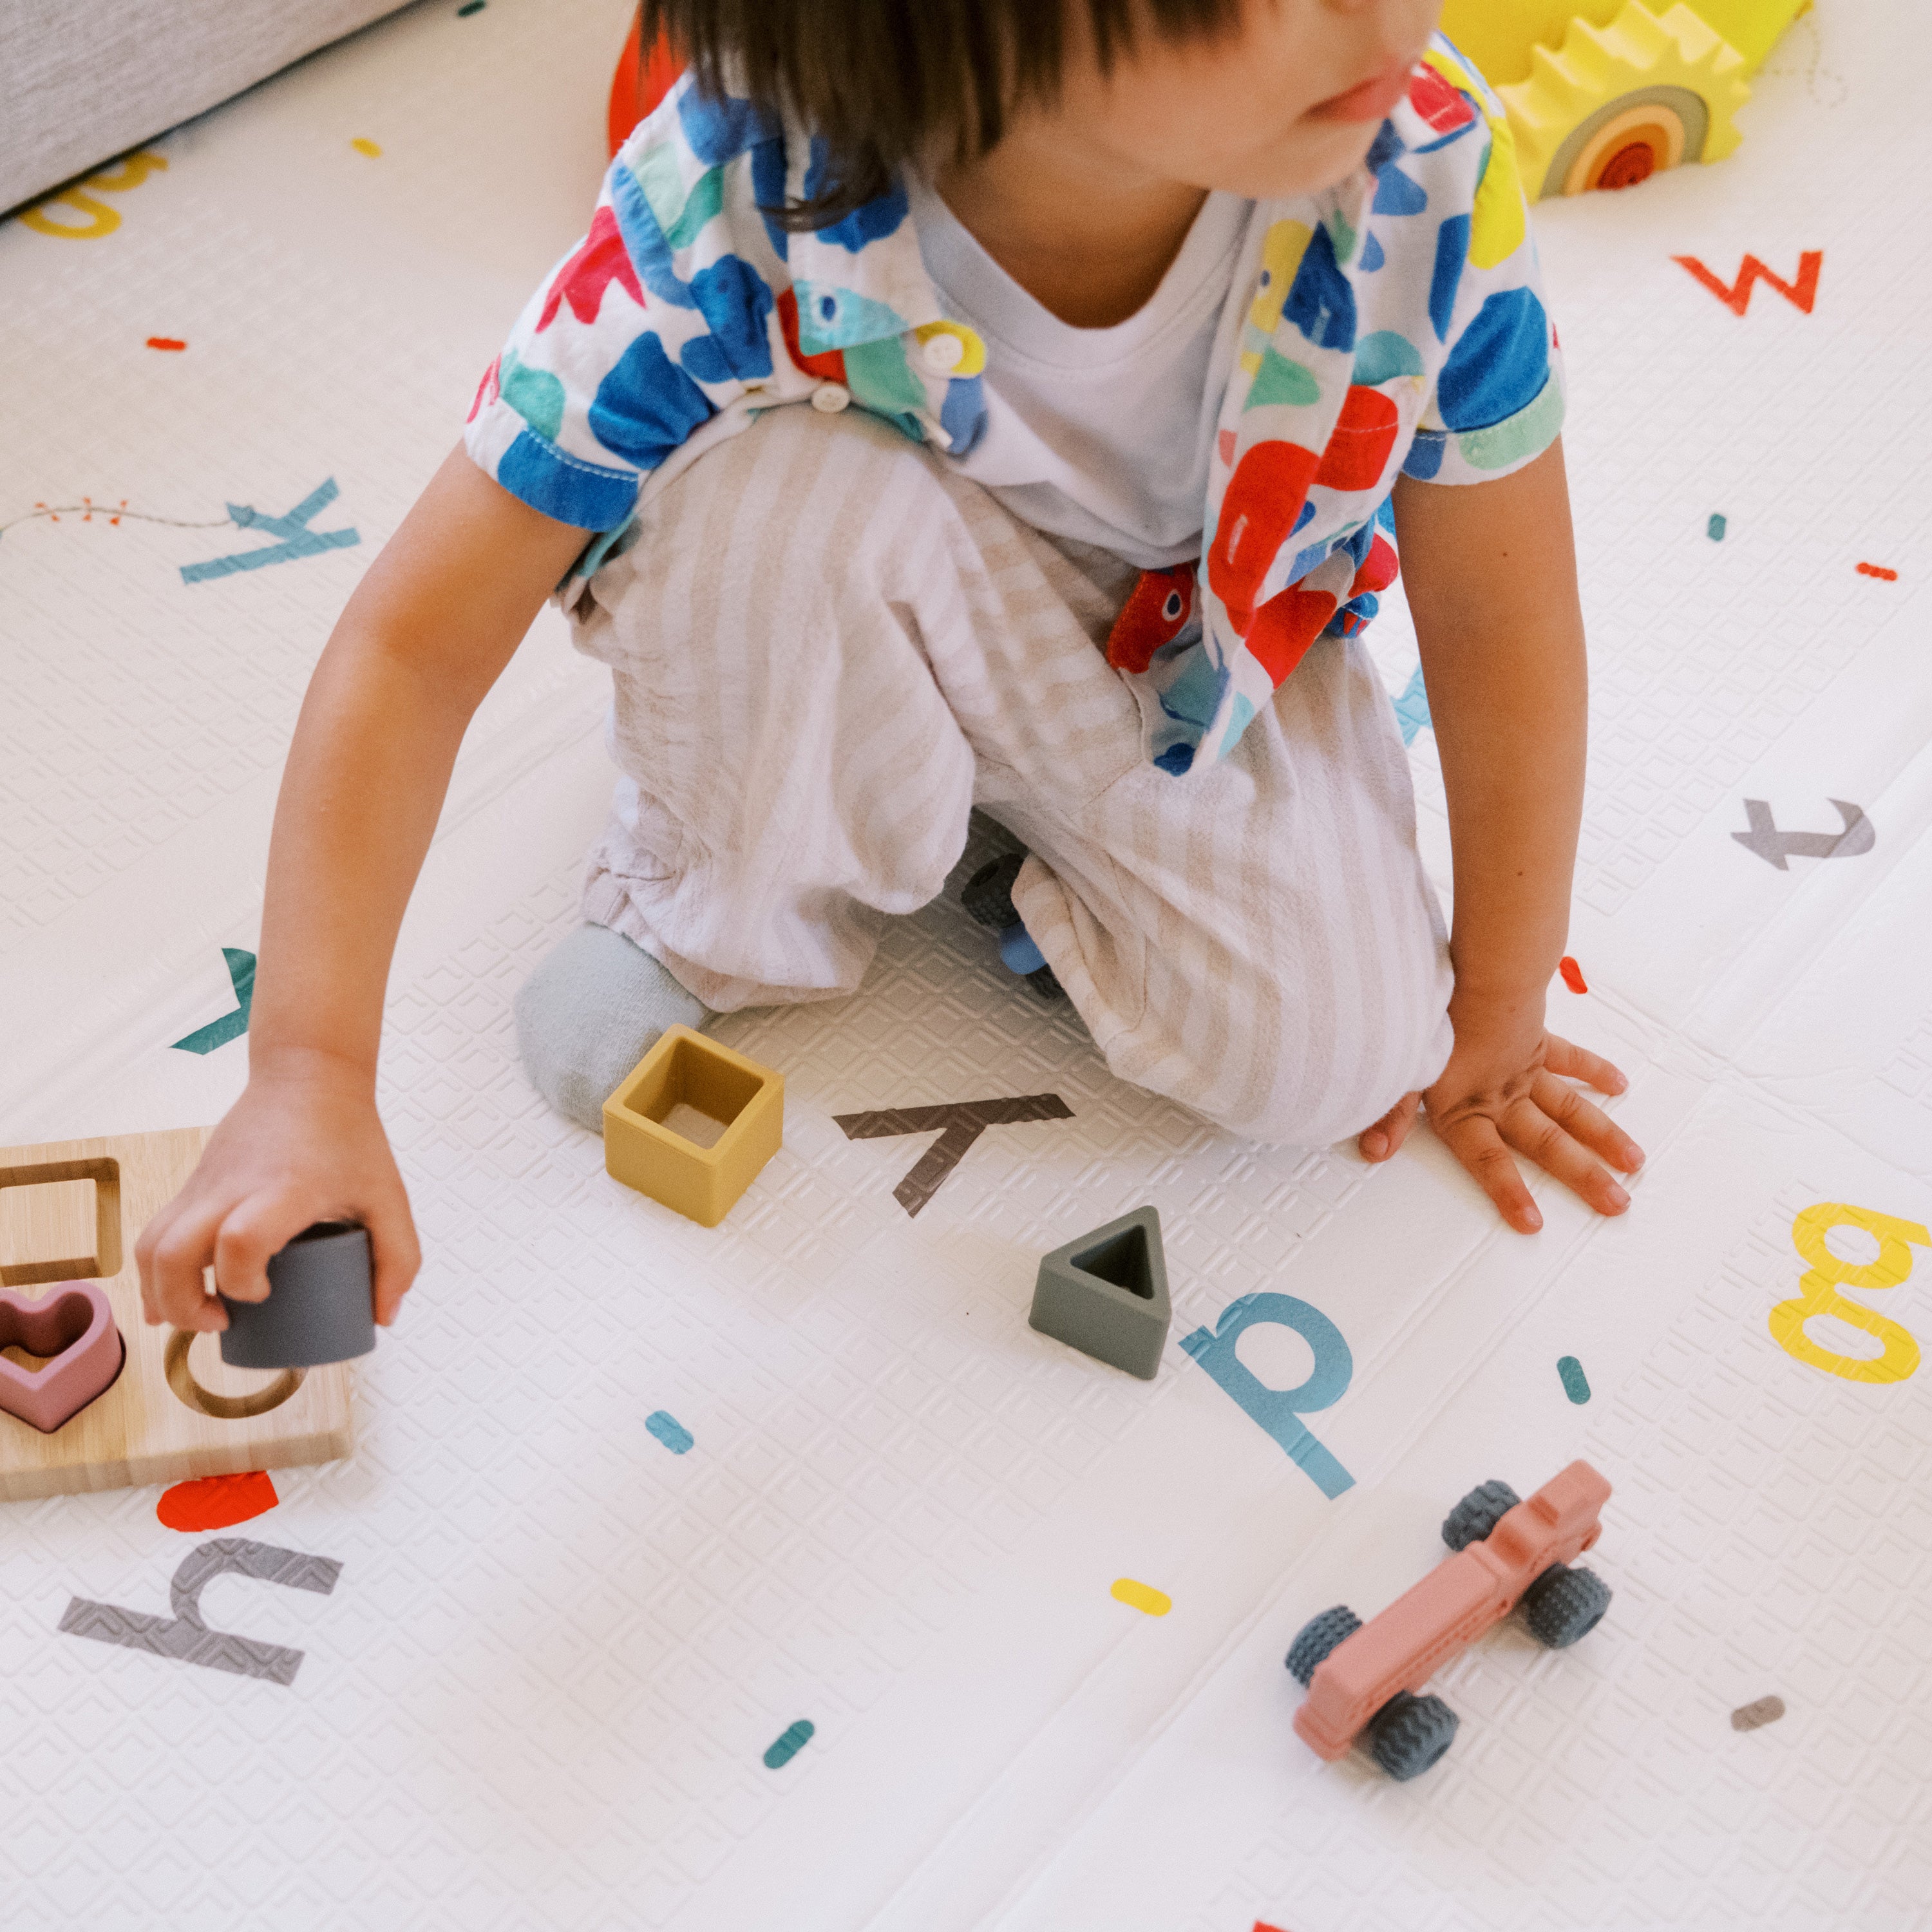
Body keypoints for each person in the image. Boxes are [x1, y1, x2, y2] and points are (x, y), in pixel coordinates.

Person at [135, 0, 1645, 1336]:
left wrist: (1500, 1012)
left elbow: (1504, 617)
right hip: (849, 557)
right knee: (782, 520)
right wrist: (310, 1071)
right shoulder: (735, 195)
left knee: (1344, 1056)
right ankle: (707, 898)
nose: (1382, 15)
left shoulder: (1418, 163)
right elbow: (410, 648)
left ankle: (1007, 853)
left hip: (1208, 642)